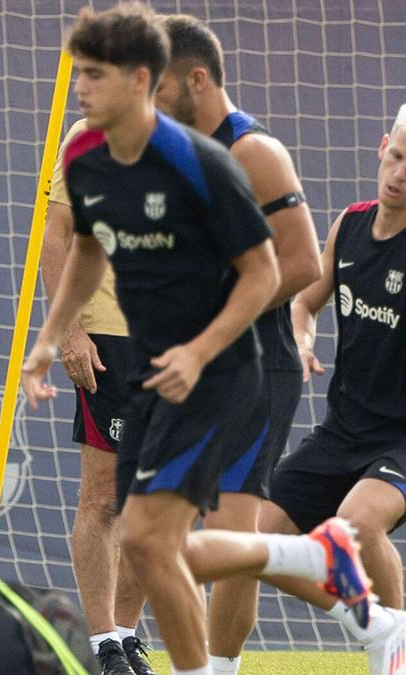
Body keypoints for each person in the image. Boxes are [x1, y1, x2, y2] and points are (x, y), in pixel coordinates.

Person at [20, 6, 370, 674]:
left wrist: (207, 333)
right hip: (173, 350)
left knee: (170, 535)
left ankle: (289, 580)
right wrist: (57, 334)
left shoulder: (238, 152)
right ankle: (164, 643)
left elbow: (287, 267)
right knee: (156, 530)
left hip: (234, 360)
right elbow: (82, 242)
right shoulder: (123, 147)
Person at [250, 95, 406, 675]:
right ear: (382, 148)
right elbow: (304, 304)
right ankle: (380, 627)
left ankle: (392, 658)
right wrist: (304, 338)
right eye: (397, 158)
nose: (400, 175)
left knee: (355, 524)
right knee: (252, 545)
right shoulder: (349, 225)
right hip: (342, 429)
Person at [152, 15, 321, 675]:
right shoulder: (173, 148)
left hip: (256, 370)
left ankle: (218, 668)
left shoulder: (254, 151)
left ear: (197, 78)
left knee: (225, 537)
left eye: (160, 86)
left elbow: (303, 263)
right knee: (159, 535)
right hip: (196, 371)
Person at [40, 117, 154, 675]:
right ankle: (103, 644)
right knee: (104, 497)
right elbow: (57, 236)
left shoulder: (194, 137)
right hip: (107, 336)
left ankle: (128, 636)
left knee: (156, 503)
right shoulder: (88, 134)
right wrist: (68, 330)